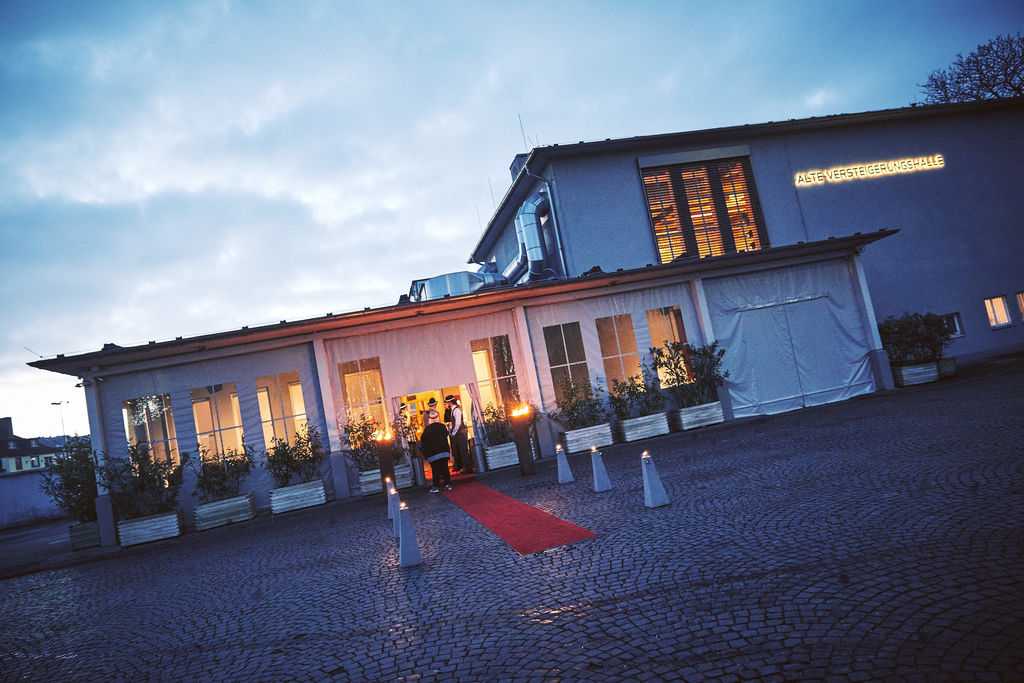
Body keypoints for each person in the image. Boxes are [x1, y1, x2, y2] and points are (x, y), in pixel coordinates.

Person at [418, 410, 452, 492]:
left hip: (433, 453)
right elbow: (446, 434)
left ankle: (436, 486)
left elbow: (423, 439)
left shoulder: (427, 429)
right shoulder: (443, 426)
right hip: (444, 451)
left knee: (435, 470)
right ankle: (448, 485)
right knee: (445, 468)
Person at [445, 394, 473, 474]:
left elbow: (457, 424)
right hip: (458, 433)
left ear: (450, 402)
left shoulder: (456, 410)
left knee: (463, 450)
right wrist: (450, 430)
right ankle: (463, 467)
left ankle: (468, 468)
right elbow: (455, 424)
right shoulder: (453, 410)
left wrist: (453, 433)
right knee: (459, 451)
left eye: (447, 403)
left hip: (460, 433)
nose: (447, 405)